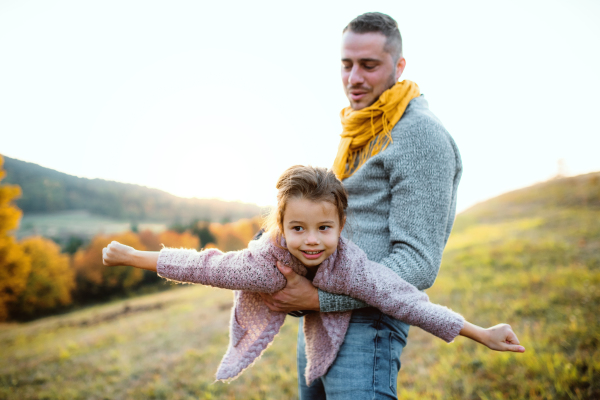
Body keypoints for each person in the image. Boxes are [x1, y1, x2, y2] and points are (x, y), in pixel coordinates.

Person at [103, 166, 524, 394]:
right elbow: (206, 267)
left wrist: (480, 333)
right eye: (298, 228)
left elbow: (408, 303)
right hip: (313, 342)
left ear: (342, 226)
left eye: (324, 228)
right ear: (281, 228)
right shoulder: (265, 264)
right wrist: (133, 256)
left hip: (346, 336)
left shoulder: (352, 267)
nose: (311, 241)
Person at [255, 12, 465, 399]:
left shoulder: (420, 136)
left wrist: (320, 296)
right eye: (346, 64)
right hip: (321, 323)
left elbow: (417, 264)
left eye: (369, 65)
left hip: (367, 325)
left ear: (399, 66)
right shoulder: (360, 127)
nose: (353, 78)